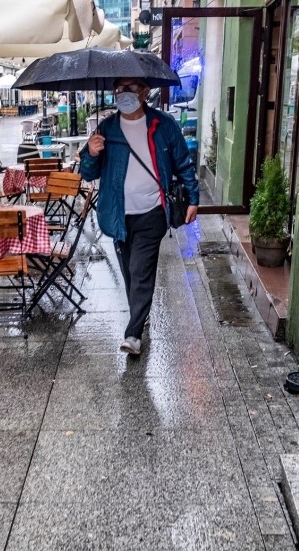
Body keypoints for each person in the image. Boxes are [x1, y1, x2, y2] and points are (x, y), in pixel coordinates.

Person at [79, 77, 199, 356]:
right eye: (118, 88)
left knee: (140, 270)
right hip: (118, 215)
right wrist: (92, 153)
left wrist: (193, 197)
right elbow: (87, 173)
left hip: (152, 213)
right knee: (130, 273)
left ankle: (133, 334)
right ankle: (140, 317)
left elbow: (183, 162)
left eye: (130, 88)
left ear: (145, 92)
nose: (123, 93)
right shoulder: (106, 129)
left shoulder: (163, 124)